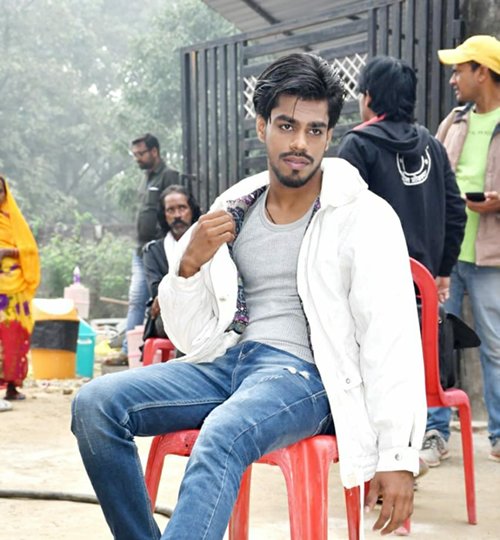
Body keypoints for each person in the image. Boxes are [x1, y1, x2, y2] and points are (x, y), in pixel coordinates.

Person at [72, 53, 427, 540]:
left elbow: (391, 337)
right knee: (95, 405)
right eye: (286, 125)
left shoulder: (363, 216)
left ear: (329, 136)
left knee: (223, 431)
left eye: (315, 130)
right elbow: (191, 337)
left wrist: (398, 455)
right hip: (229, 362)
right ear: (262, 126)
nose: (300, 143)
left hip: (308, 377)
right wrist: (188, 267)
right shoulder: (234, 209)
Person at [420, 35, 500, 466]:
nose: (453, 79)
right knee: (437, 344)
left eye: (459, 70)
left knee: (495, 347)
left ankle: (499, 435)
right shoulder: (452, 122)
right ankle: (436, 431)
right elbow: (431, 177)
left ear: (482, 72)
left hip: (491, 257)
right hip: (446, 257)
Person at [338, 56, 466, 305]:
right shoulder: (433, 146)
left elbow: (342, 220)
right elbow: (456, 211)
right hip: (423, 287)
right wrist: (443, 270)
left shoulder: (358, 145)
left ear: (368, 97)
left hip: (371, 288)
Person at [109, 134, 179, 365]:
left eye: (141, 153)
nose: (137, 158)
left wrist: (160, 244)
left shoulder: (169, 175)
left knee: (148, 299)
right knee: (136, 300)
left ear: (154, 151)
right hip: (140, 249)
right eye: (135, 154)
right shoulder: (146, 178)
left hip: (157, 252)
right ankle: (129, 351)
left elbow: (170, 212)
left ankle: (137, 352)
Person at [142, 184, 201, 341]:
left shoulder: (206, 243)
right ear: (164, 215)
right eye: (170, 210)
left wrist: (168, 290)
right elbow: (156, 289)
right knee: (184, 323)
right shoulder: (153, 251)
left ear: (192, 210)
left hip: (203, 309)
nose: (177, 215)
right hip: (167, 317)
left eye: (182, 208)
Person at [0, 176, 40, 401]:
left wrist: (7, 252)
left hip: (14, 290)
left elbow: (30, 249)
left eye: (0, 191)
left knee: (14, 336)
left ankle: (12, 386)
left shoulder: (13, 219)